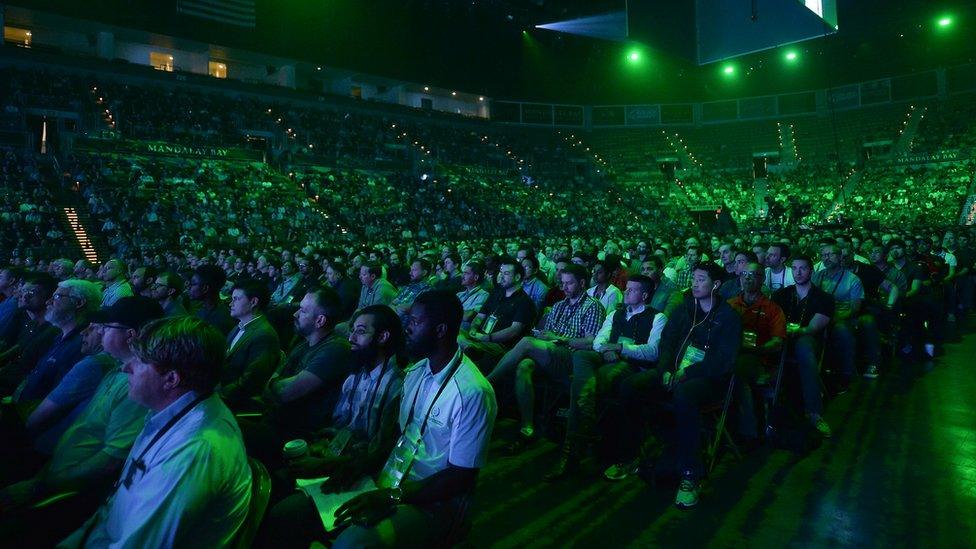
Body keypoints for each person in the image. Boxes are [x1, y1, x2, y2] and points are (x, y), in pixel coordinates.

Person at [60, 316, 251, 547]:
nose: (125, 367)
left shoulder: (194, 451)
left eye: (139, 361)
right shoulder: (170, 411)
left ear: (171, 379)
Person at [329, 290, 496, 548]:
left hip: (435, 503)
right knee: (302, 510)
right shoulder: (416, 372)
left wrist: (393, 497)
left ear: (440, 330)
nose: (407, 328)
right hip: (392, 482)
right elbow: (399, 436)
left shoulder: (472, 392)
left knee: (352, 543)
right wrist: (362, 464)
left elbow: (461, 478)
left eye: (415, 322)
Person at [0, 297, 163, 547]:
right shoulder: (117, 369)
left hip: (67, 499)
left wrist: (38, 486)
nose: (97, 330)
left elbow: (109, 461)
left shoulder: (137, 387)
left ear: (130, 335)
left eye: (106, 327)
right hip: (54, 478)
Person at [259, 305, 406, 548]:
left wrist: (324, 463)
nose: (351, 338)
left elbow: (380, 454)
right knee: (272, 482)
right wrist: (322, 443)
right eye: (352, 331)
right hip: (337, 456)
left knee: (284, 514)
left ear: (382, 337)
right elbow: (339, 426)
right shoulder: (355, 375)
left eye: (360, 331)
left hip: (362, 473)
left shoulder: (397, 386)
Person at [613, 262, 741, 508]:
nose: (694, 283)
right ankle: (633, 453)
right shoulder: (684, 310)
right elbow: (668, 344)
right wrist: (665, 369)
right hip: (674, 373)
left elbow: (723, 360)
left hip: (707, 380)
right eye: (693, 279)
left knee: (684, 395)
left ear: (715, 285)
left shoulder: (728, 317)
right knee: (630, 386)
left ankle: (690, 475)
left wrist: (687, 372)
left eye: (701, 279)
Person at [552, 274, 667, 481]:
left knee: (590, 382)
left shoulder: (657, 317)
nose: (626, 291)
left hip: (631, 365)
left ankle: (571, 449)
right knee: (581, 356)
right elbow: (598, 341)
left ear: (645, 295)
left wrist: (621, 348)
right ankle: (586, 417)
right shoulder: (616, 313)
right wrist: (606, 350)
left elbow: (652, 351)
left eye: (632, 290)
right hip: (606, 357)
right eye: (626, 288)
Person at [487, 264, 605, 454]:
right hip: (550, 353)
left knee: (526, 342)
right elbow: (545, 333)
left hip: (572, 358)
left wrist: (557, 338)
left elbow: (590, 342)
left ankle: (487, 384)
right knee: (524, 366)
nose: (564, 287)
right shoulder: (558, 306)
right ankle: (527, 427)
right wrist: (545, 336)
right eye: (562, 283)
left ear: (582, 283)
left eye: (569, 283)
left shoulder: (593, 306)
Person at [772, 256, 834, 438]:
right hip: (781, 338)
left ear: (811, 271)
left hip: (807, 340)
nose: (798, 273)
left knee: (804, 348)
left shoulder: (824, 298)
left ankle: (814, 413)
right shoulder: (782, 294)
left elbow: (813, 328)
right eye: (795, 268)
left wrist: (795, 330)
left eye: (803, 269)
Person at [727, 263, 786, 443]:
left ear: (762, 279)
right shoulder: (730, 304)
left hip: (758, 359)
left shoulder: (773, 309)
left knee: (735, 373)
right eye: (744, 274)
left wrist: (754, 349)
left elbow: (777, 343)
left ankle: (748, 431)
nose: (747, 278)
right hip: (731, 354)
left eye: (753, 274)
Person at [458, 257, 536, 369]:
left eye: (506, 273)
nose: (501, 276)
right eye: (500, 272)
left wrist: (488, 338)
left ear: (518, 277)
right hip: (480, 336)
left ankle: (469, 348)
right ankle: (468, 347)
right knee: (453, 331)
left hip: (500, 344)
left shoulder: (524, 302)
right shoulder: (496, 293)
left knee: (463, 344)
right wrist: (474, 328)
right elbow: (480, 316)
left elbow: (514, 331)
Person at [223, 279, 281, 409]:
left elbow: (251, 381)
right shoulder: (239, 326)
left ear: (253, 302)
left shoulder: (264, 335)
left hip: (236, 402)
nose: (231, 303)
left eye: (236, 299)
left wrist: (219, 393)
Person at [188, 264, 234, 335]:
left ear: (205, 288)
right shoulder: (203, 309)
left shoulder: (220, 319)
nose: (189, 287)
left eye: (193, 284)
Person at [456, 260, 489, 330]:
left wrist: (452, 311)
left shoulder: (483, 295)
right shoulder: (459, 294)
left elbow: (468, 316)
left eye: (466, 273)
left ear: (476, 277)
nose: (462, 276)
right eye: (463, 273)